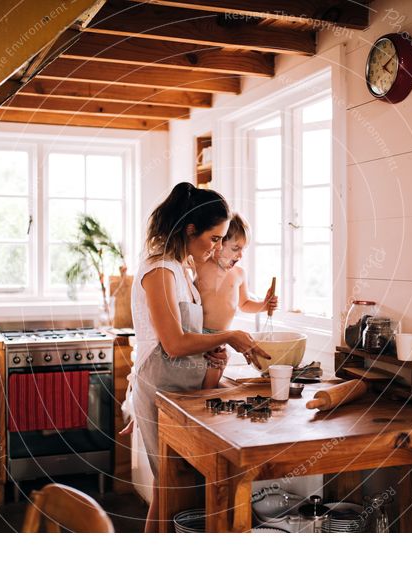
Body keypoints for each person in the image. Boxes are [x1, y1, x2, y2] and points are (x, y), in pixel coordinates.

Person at [130, 182, 270, 532]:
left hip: (179, 391)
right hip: (160, 393)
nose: (218, 247)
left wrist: (210, 350)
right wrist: (230, 336)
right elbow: (174, 343)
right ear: (190, 230)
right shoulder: (159, 270)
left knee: (176, 488)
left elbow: (186, 336)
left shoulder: (180, 269)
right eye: (214, 238)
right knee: (170, 487)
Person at [195, 214, 278, 389]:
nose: (240, 255)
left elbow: (245, 304)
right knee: (200, 389)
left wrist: (264, 305)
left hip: (223, 341)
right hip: (199, 337)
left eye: (243, 249)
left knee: (211, 386)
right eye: (235, 248)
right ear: (218, 244)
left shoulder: (239, 274)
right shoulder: (200, 266)